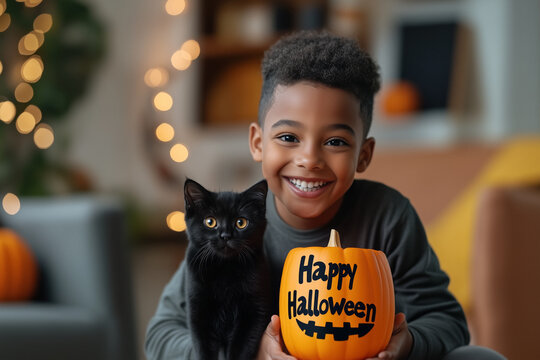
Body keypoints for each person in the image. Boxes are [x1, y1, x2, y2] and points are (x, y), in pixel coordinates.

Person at [145, 31, 506, 360]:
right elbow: (160, 336)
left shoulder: (388, 216)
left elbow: (447, 320)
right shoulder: (230, 232)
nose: (309, 160)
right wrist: (252, 353)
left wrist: (406, 343)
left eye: (335, 142)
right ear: (258, 143)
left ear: (363, 155)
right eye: (288, 137)